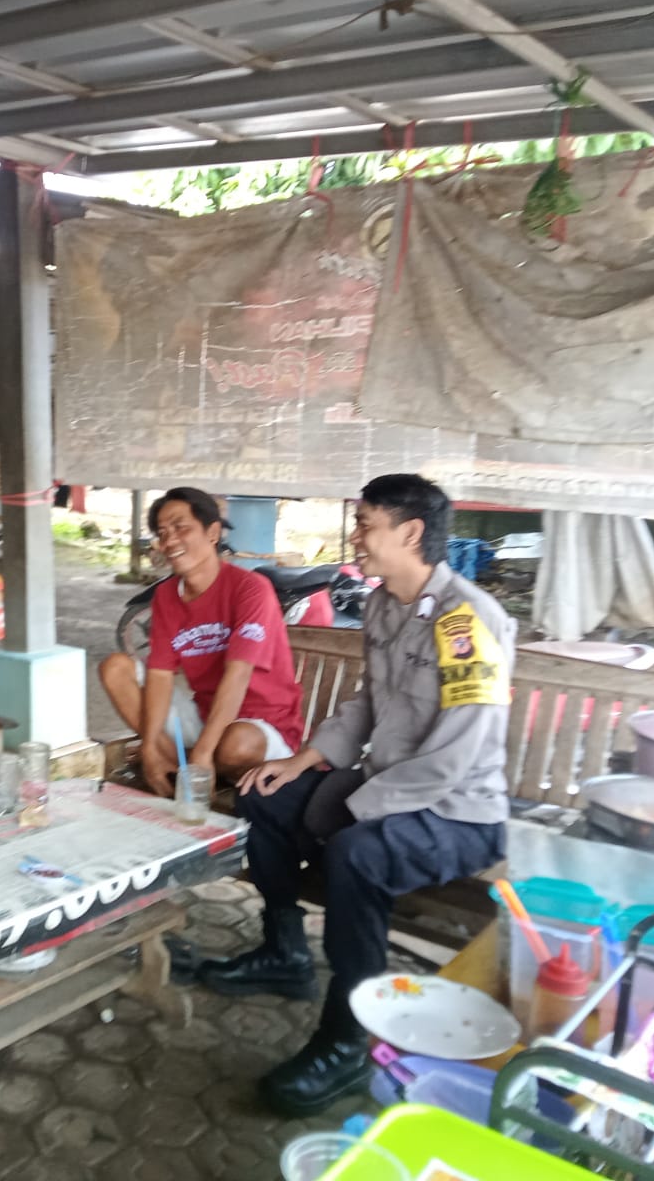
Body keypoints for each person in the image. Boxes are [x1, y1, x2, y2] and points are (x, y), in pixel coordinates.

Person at [200, 474, 512, 1117]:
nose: (355, 536)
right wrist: (301, 762)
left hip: (458, 812)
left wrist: (353, 809)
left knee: (356, 855)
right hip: (387, 789)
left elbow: (455, 756)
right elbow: (369, 704)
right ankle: (283, 951)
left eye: (366, 524)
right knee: (263, 795)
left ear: (411, 533)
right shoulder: (382, 606)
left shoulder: (467, 621)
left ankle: (348, 1039)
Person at [98, 487, 303, 795]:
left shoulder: (250, 589)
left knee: (235, 745)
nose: (170, 541)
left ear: (212, 533)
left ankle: (190, 764)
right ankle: (167, 761)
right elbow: (159, 676)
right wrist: (150, 744)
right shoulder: (167, 595)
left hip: (264, 727)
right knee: (115, 668)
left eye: (181, 528)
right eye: (162, 533)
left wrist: (203, 753)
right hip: (205, 716)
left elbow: (237, 676)